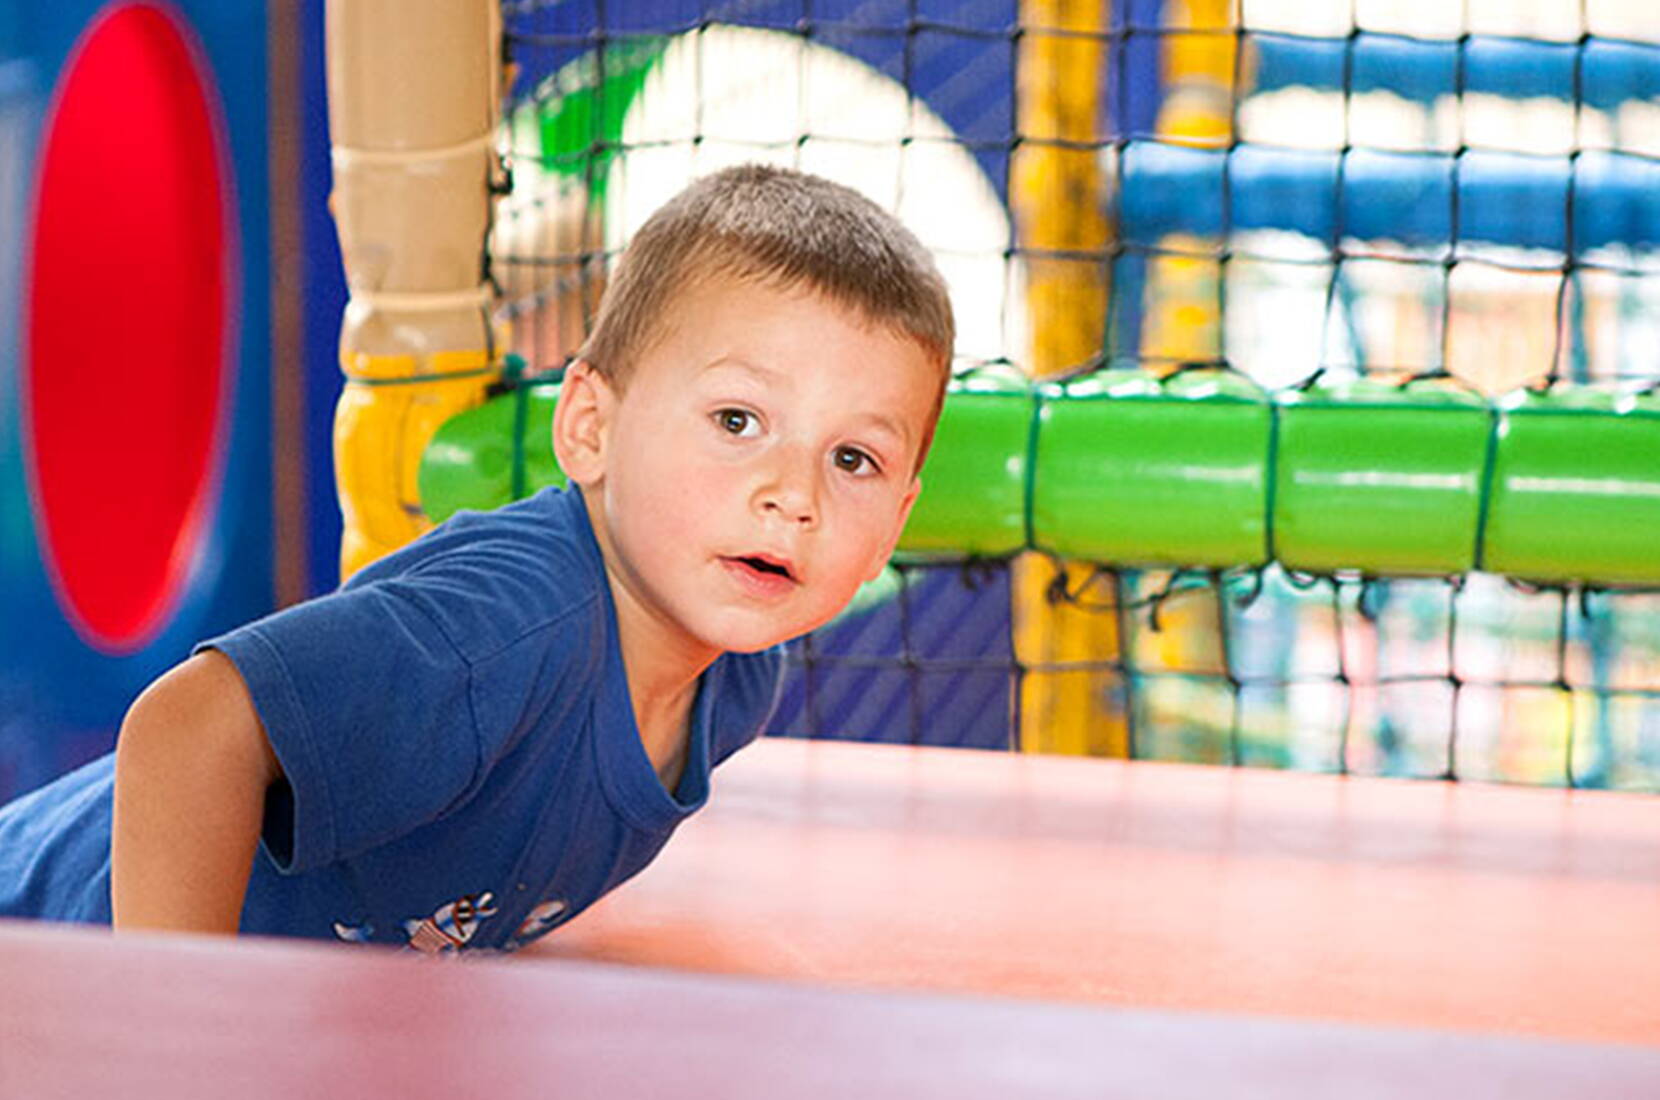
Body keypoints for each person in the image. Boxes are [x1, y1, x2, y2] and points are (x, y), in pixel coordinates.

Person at [0, 164, 954, 952]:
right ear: (589, 428)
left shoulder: (735, 683)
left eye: (853, 459)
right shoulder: (508, 631)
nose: (794, 494)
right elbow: (185, 728)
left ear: (901, 515)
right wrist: (164, 1033)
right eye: (737, 421)